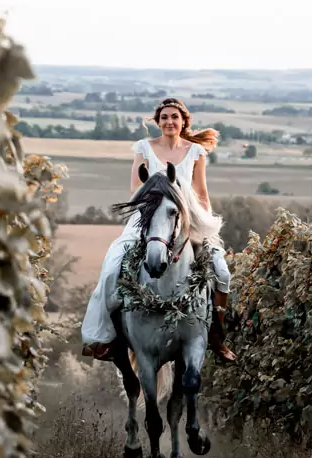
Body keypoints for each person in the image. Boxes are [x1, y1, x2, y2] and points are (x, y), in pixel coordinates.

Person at [81, 97, 236, 363]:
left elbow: (201, 193)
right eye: (164, 117)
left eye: (174, 117)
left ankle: (216, 337)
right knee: (110, 269)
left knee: (222, 271)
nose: (169, 122)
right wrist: (156, 198)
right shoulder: (144, 148)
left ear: (183, 121)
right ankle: (106, 338)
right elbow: (134, 190)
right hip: (149, 219)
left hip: (186, 221)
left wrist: (206, 226)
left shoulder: (196, 152)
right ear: (158, 121)